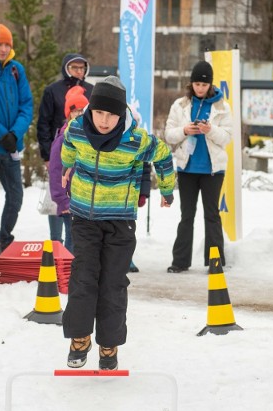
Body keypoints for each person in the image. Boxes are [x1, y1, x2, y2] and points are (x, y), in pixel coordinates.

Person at [61, 76, 175, 370]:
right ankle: (80, 338)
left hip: (120, 223)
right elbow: (68, 149)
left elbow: (163, 155)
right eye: (99, 112)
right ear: (90, 110)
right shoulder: (77, 129)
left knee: (113, 283)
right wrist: (67, 165)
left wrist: (166, 189)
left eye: (111, 114)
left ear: (121, 114)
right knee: (84, 278)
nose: (104, 120)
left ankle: (108, 345)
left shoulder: (135, 140)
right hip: (84, 218)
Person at [163, 60, 232, 273]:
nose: (200, 88)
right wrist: (185, 130)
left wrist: (209, 130)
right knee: (187, 215)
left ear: (210, 85)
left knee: (212, 215)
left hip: (212, 170)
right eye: (196, 84)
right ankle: (180, 262)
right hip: (187, 169)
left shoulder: (222, 106)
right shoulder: (180, 105)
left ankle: (215, 262)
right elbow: (168, 134)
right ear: (191, 84)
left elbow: (227, 138)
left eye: (204, 85)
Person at [37, 54, 93, 247]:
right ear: (66, 68)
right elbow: (43, 123)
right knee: (57, 198)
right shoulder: (53, 90)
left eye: (82, 68)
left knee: (76, 230)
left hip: (83, 166)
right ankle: (55, 242)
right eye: (75, 67)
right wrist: (46, 154)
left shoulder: (92, 90)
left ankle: (71, 258)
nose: (79, 71)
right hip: (59, 150)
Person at [0, 24, 33, 252]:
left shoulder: (16, 69)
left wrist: (15, 133)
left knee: (16, 196)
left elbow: (26, 105)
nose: (2, 49)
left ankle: (3, 237)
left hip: (11, 146)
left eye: (6, 44)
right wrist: (2, 133)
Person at [48, 86, 89, 254]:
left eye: (83, 111)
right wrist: (62, 200)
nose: (79, 115)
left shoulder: (86, 137)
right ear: (68, 114)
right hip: (69, 201)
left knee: (80, 239)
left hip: (83, 200)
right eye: (75, 112)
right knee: (73, 239)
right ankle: (67, 273)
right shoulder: (64, 139)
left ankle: (74, 272)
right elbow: (56, 171)